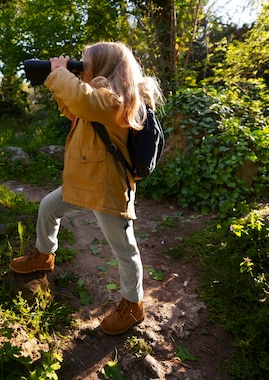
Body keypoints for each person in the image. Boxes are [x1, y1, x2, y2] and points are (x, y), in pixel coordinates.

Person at [10, 41, 163, 335]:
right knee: (48, 207)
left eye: (85, 63)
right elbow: (74, 108)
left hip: (106, 189)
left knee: (124, 249)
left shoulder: (118, 101)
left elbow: (84, 102)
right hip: (85, 184)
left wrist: (59, 72)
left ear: (104, 68)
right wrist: (64, 78)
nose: (81, 67)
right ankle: (44, 255)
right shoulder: (94, 99)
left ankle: (133, 305)